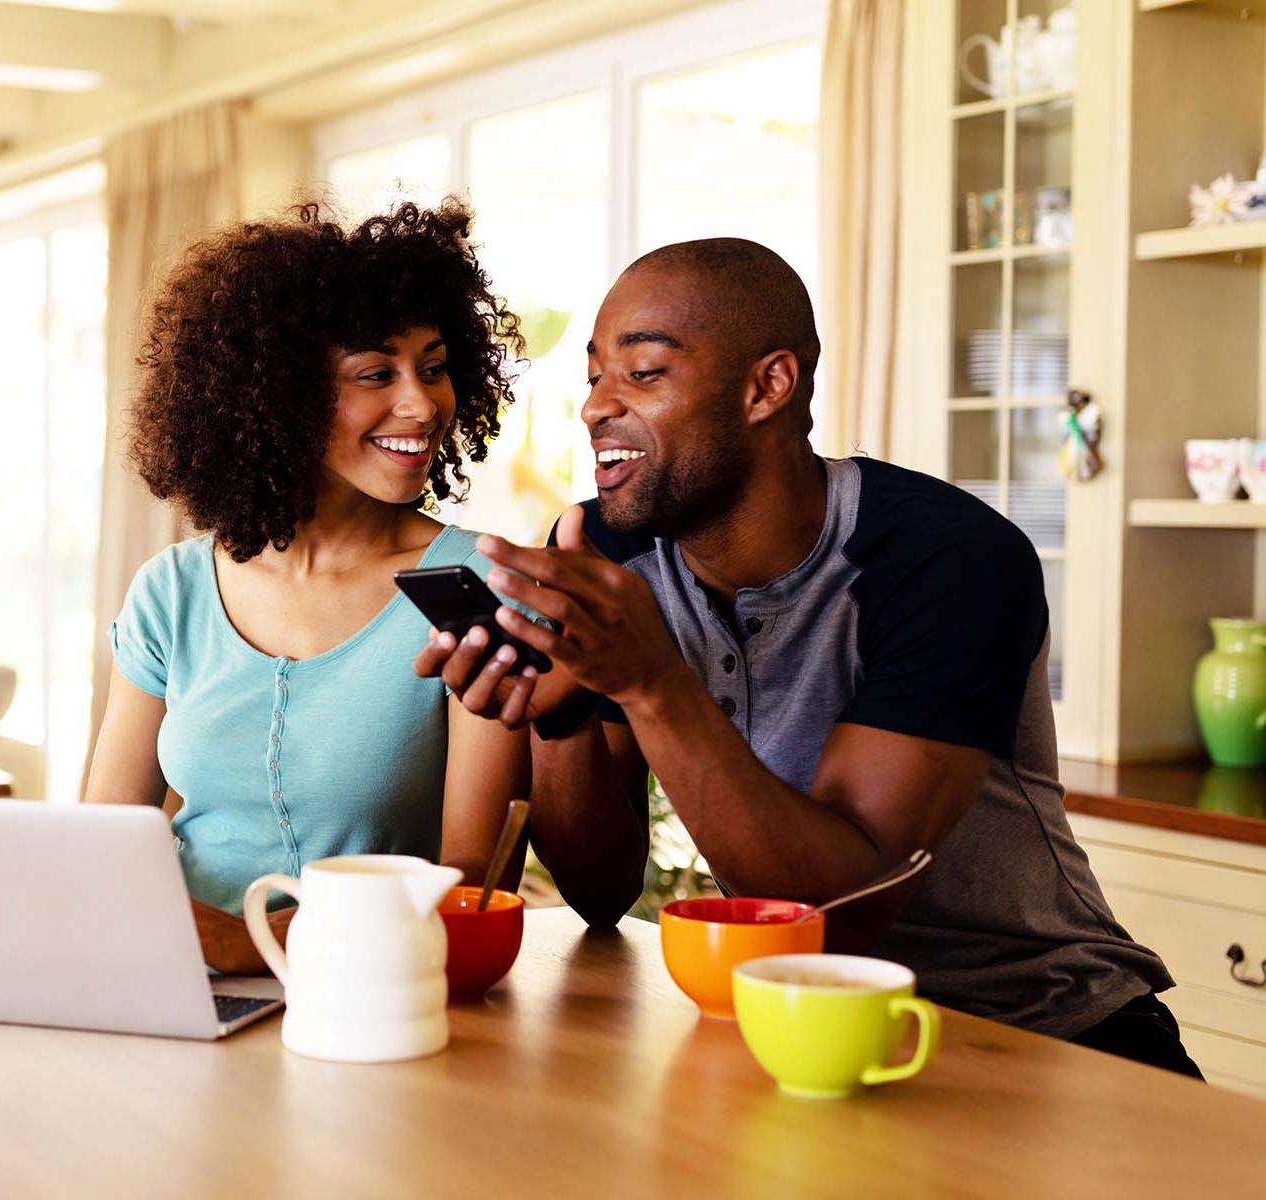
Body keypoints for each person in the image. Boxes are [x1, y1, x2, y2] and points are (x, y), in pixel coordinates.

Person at [419, 237, 1202, 1077]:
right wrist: (566, 706)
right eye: (594, 375)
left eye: (642, 373)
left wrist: (648, 681)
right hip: (794, 1022)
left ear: (769, 386)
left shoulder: (950, 558)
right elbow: (602, 890)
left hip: (1043, 1027)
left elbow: (841, 913)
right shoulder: (612, 549)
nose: (596, 408)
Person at [87, 200, 529, 974]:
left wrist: (247, 947)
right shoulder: (174, 592)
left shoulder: (475, 587)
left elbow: (466, 884)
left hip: (372, 992)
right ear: (277, 395)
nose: (421, 404)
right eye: (374, 374)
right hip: (174, 978)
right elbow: (101, 847)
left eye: (433, 367)